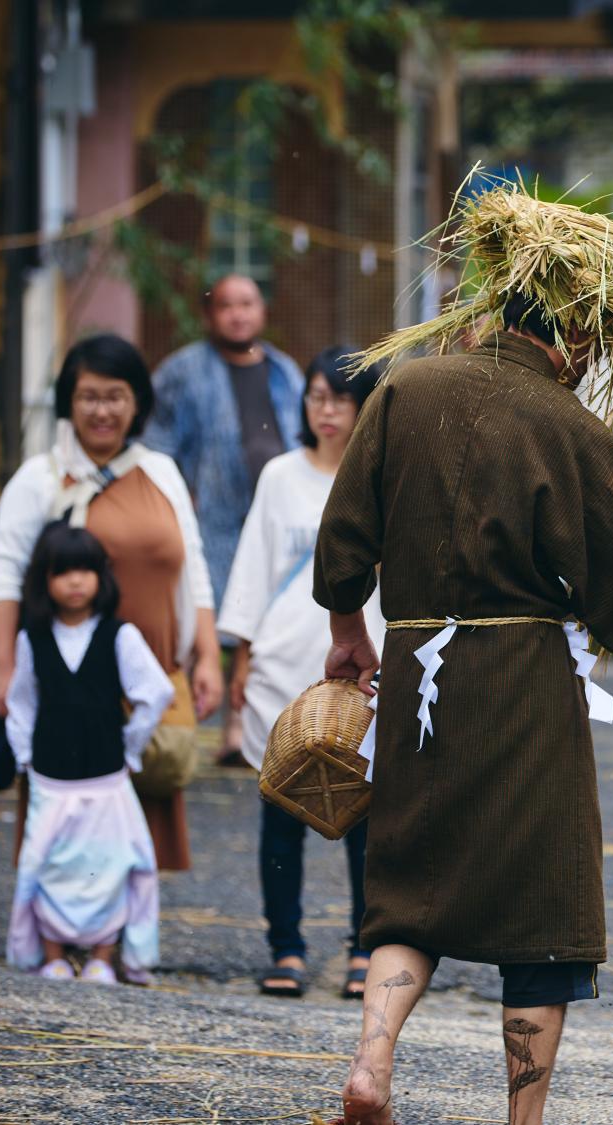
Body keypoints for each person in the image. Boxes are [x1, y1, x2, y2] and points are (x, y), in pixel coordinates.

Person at [313, 188, 613, 1125]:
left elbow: (344, 531)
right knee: (545, 920)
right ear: (574, 335)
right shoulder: (571, 428)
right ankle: (524, 1120)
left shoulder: (405, 386)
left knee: (405, 893)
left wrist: (347, 632)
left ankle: (372, 1063)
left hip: (413, 679)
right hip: (523, 694)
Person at [0, 335, 222, 871]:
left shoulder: (161, 472)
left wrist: (205, 654)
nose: (102, 410)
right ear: (68, 402)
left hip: (151, 677)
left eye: (115, 396)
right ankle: (61, 946)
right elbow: (4, 575)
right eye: (89, 396)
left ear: (137, 401)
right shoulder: (38, 480)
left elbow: (195, 570)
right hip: (68, 686)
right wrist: (2, 666)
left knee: (139, 836)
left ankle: (120, 946)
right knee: (66, 831)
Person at [218, 347, 385, 1000]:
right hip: (283, 669)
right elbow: (252, 572)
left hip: (362, 667)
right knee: (280, 809)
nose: (327, 409)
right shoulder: (281, 476)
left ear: (365, 407)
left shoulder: (384, 479)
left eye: (341, 398)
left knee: (368, 813)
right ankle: (284, 946)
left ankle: (364, 947)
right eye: (316, 395)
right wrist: (238, 661)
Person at [142, 275, 303, 762]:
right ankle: (187, 728)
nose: (237, 314)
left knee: (260, 617)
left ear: (263, 311)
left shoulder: (285, 371)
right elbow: (155, 443)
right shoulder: (181, 371)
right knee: (205, 616)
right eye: (226, 306)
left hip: (272, 513)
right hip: (208, 516)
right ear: (209, 315)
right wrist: (174, 494)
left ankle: (242, 729)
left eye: (247, 304)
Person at [4, 523, 173, 984]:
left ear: (101, 576)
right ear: (44, 580)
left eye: (85, 571)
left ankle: (103, 956)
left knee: (112, 866)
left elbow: (155, 692)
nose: (75, 582)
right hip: (50, 778)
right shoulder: (31, 639)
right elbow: (21, 705)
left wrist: (130, 748)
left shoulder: (119, 635)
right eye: (63, 572)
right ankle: (53, 955)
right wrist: (24, 759)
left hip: (106, 779)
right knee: (48, 864)